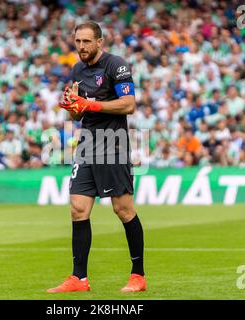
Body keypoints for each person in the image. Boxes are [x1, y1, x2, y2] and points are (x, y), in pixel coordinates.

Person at [46, 21, 146, 293]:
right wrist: (72, 106)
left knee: (123, 210)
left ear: (99, 42)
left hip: (113, 145)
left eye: (86, 42)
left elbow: (129, 104)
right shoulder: (78, 69)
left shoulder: (117, 65)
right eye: (78, 41)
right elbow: (78, 114)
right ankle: (79, 278)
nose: (81, 47)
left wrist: (91, 104)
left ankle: (138, 275)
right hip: (87, 144)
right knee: (78, 208)